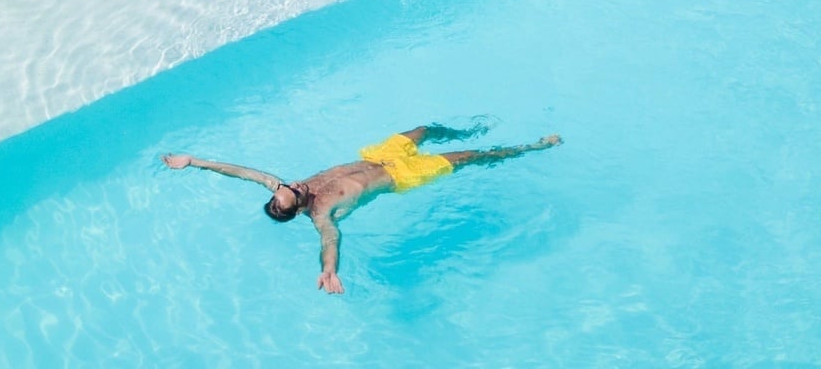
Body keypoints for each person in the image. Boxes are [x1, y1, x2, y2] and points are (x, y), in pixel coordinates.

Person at [163, 124, 560, 294]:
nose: (293, 184)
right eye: (293, 192)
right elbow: (331, 241)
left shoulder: (282, 189)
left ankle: (467, 128)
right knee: (469, 158)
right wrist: (329, 270)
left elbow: (244, 173)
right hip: (404, 174)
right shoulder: (321, 214)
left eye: (286, 185)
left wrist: (195, 161)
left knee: (423, 129)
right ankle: (534, 147)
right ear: (298, 207)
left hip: (380, 155)